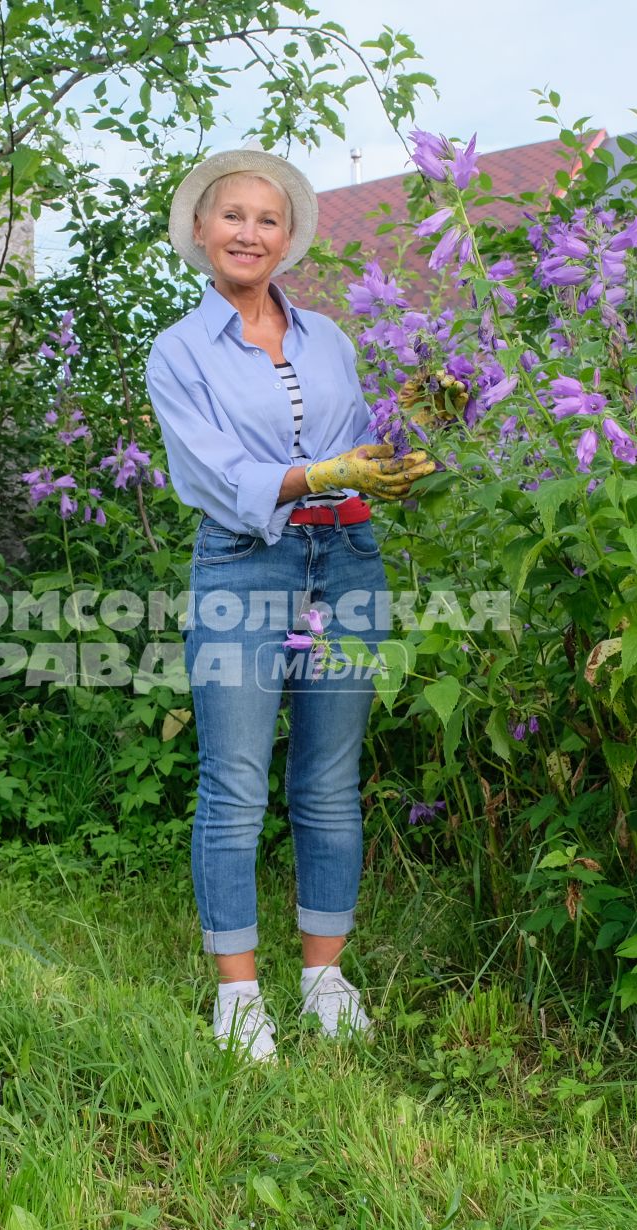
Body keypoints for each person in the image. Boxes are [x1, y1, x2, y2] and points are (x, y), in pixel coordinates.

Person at [144, 146, 457, 1061]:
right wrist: (319, 472)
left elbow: (361, 441)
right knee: (234, 781)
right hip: (245, 563)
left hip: (349, 558)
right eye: (231, 216)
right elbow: (211, 470)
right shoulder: (178, 351)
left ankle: (324, 976)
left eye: (267, 219)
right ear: (201, 231)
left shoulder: (330, 339)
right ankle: (238, 995)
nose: (249, 232)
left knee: (329, 779)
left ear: (288, 240)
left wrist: (408, 439)